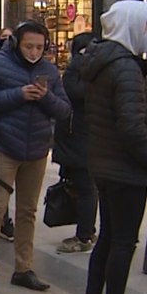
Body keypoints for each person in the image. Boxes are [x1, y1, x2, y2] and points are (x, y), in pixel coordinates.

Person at [73, 1, 147, 294]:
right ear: (134, 27)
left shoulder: (103, 62)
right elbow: (131, 124)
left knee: (109, 237)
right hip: (124, 167)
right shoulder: (125, 67)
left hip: (104, 162)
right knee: (123, 241)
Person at [0, 20, 71, 294]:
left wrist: (45, 97)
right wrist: (19, 94)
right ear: (16, 42)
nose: (34, 52)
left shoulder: (49, 70)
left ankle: (24, 268)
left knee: (27, 211)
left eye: (40, 47)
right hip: (4, 147)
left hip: (36, 150)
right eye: (29, 46)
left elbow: (64, 109)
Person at [53, 33, 99, 254]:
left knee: (86, 187)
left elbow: (73, 93)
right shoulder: (90, 71)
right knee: (83, 186)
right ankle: (87, 229)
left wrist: (77, 63)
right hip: (79, 138)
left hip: (81, 138)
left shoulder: (83, 70)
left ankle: (84, 236)